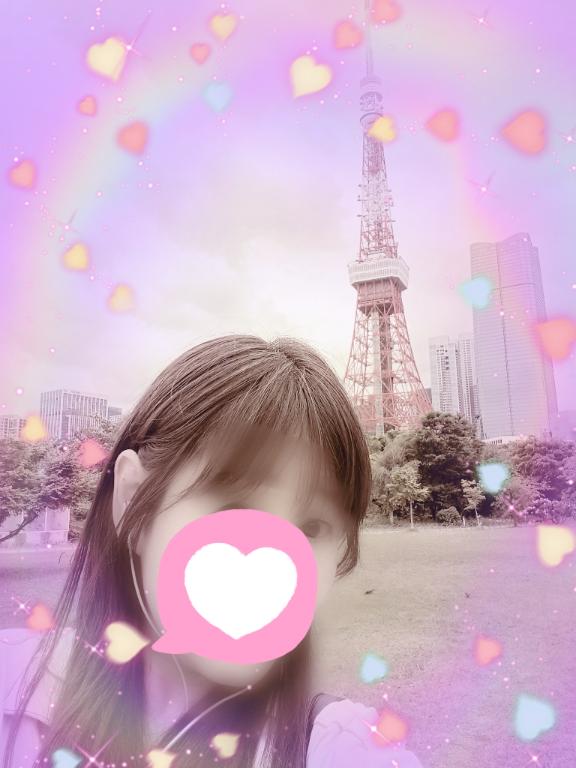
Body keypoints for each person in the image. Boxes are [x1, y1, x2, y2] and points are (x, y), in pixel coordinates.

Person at [1, 335, 424, 768]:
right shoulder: (12, 686)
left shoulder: (341, 749)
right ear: (132, 502)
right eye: (234, 507)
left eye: (312, 527)